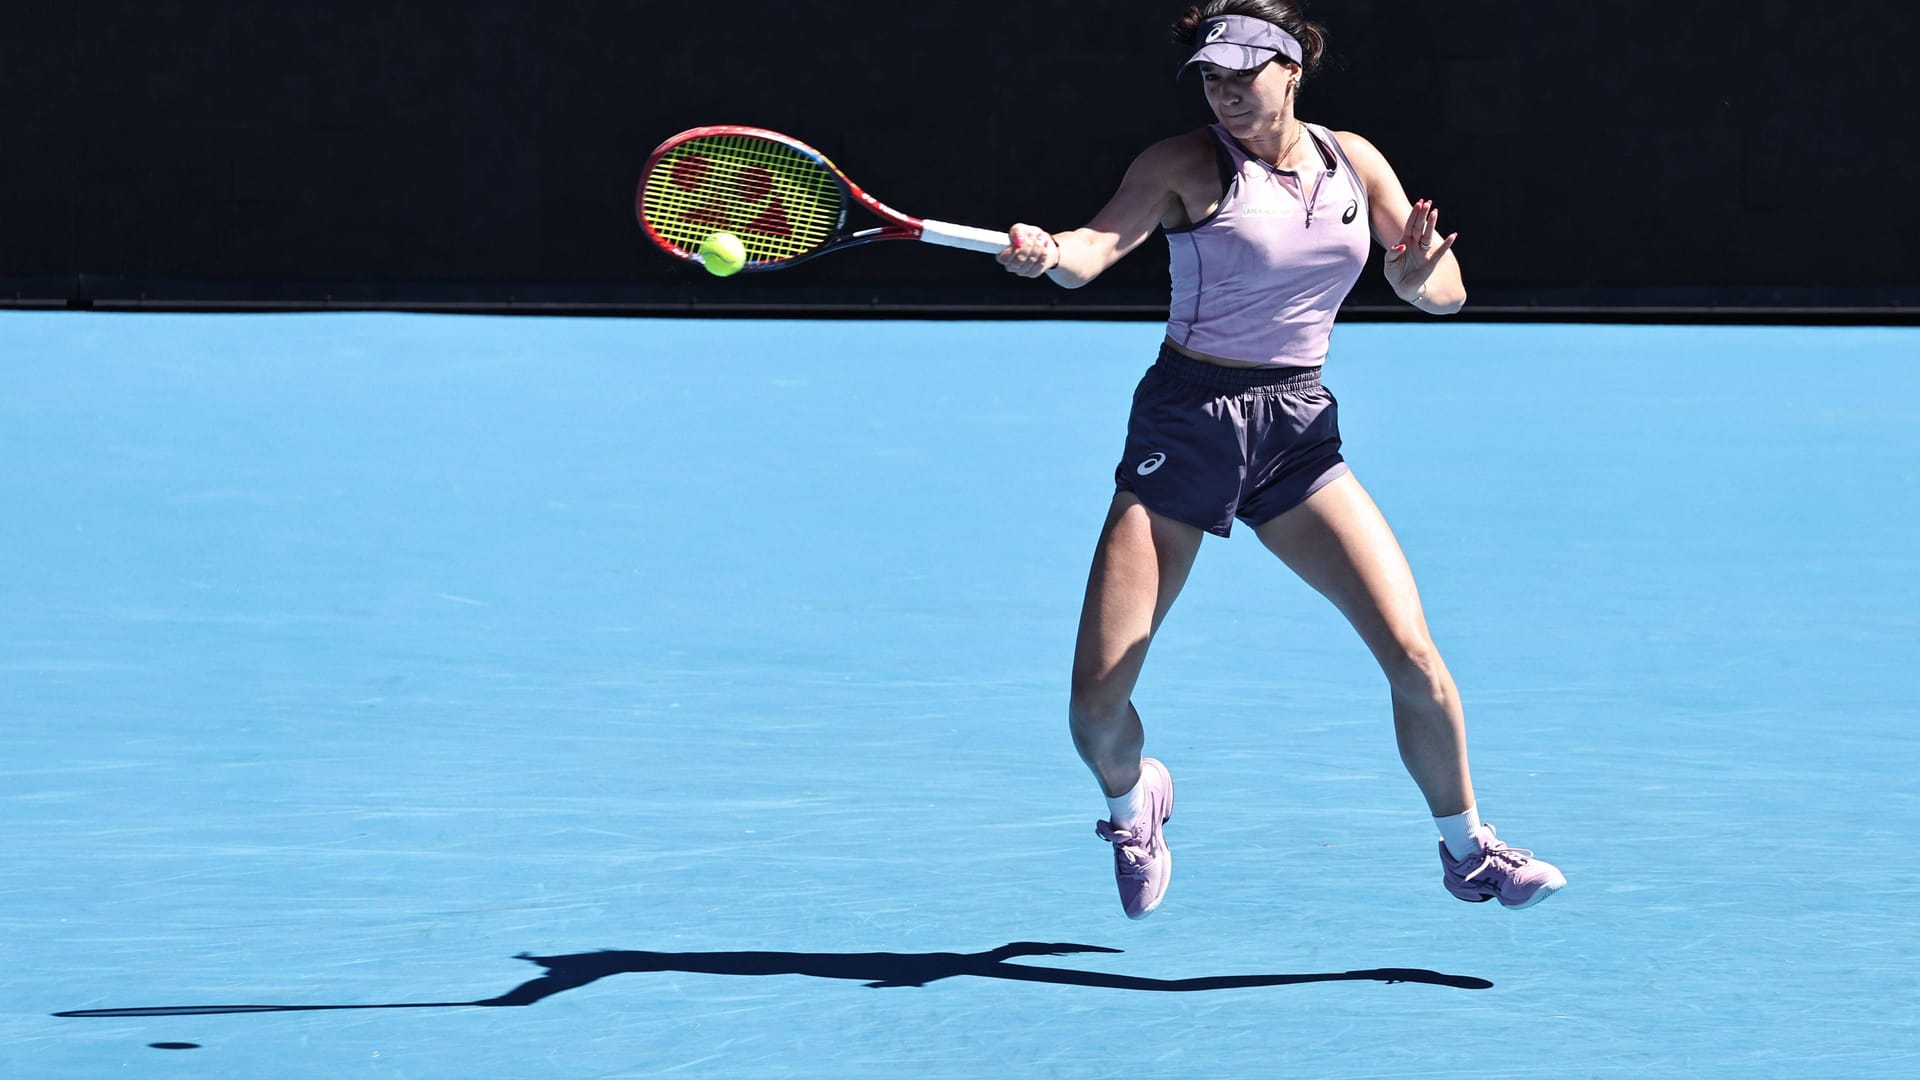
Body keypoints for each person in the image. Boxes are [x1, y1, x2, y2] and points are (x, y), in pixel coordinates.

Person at [996, 0, 1564, 919]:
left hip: (1297, 433)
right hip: (1185, 427)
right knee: (1094, 709)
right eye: (1211, 78)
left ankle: (1470, 851)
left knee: (1414, 656)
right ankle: (1132, 799)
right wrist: (1048, 251)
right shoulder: (1180, 164)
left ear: (1292, 70)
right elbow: (1093, 251)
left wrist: (1419, 279)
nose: (1224, 93)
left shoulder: (1354, 159)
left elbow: (1442, 287)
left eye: (1243, 75)